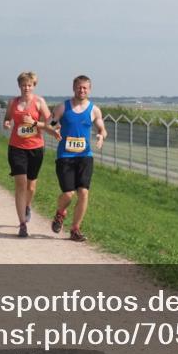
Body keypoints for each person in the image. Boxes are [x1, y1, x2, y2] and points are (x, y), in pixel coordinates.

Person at [49, 75, 107, 242]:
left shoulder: (94, 110)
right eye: (79, 87)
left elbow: (102, 128)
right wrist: (54, 130)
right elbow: (51, 122)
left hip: (84, 156)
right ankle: (60, 213)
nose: (82, 90)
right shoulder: (63, 107)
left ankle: (75, 229)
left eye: (85, 88)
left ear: (89, 90)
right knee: (68, 194)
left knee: (83, 192)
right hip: (65, 156)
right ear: (74, 88)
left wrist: (101, 136)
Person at [2, 71, 52, 238]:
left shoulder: (39, 102)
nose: (26, 88)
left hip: (36, 147)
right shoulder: (13, 102)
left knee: (31, 186)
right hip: (16, 147)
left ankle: (27, 205)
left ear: (34, 86)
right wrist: (7, 123)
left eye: (29, 85)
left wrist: (36, 123)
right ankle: (22, 224)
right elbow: (7, 118)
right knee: (21, 184)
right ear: (19, 86)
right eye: (23, 85)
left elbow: (50, 122)